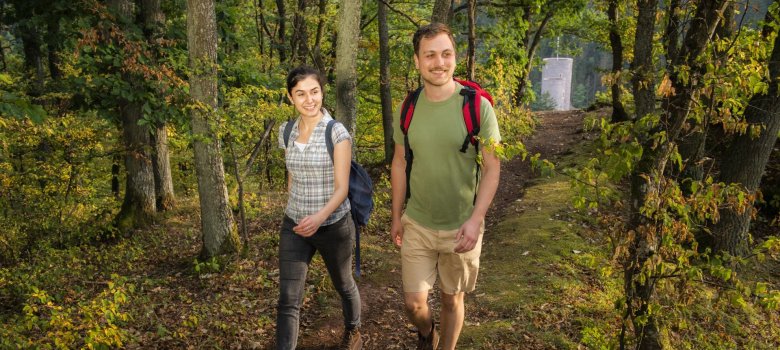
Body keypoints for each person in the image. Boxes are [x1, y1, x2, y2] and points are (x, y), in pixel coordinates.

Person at [390, 23, 501, 350]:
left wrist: (475, 220)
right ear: (417, 61)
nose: (439, 62)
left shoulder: (477, 107)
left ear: (455, 57)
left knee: (452, 300)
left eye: (446, 54)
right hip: (418, 222)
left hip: (461, 226)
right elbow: (399, 162)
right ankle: (427, 333)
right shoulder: (407, 108)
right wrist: (396, 216)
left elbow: (493, 167)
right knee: (414, 304)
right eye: (430, 55)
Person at [276, 66, 362, 350]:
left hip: (333, 225)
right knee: (288, 299)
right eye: (300, 93)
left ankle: (353, 329)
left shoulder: (336, 132)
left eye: (314, 92)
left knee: (344, 284)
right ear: (291, 97)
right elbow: (291, 175)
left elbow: (342, 188)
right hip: (295, 226)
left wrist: (319, 217)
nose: (309, 99)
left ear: (322, 93)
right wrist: (295, 209)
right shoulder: (286, 131)